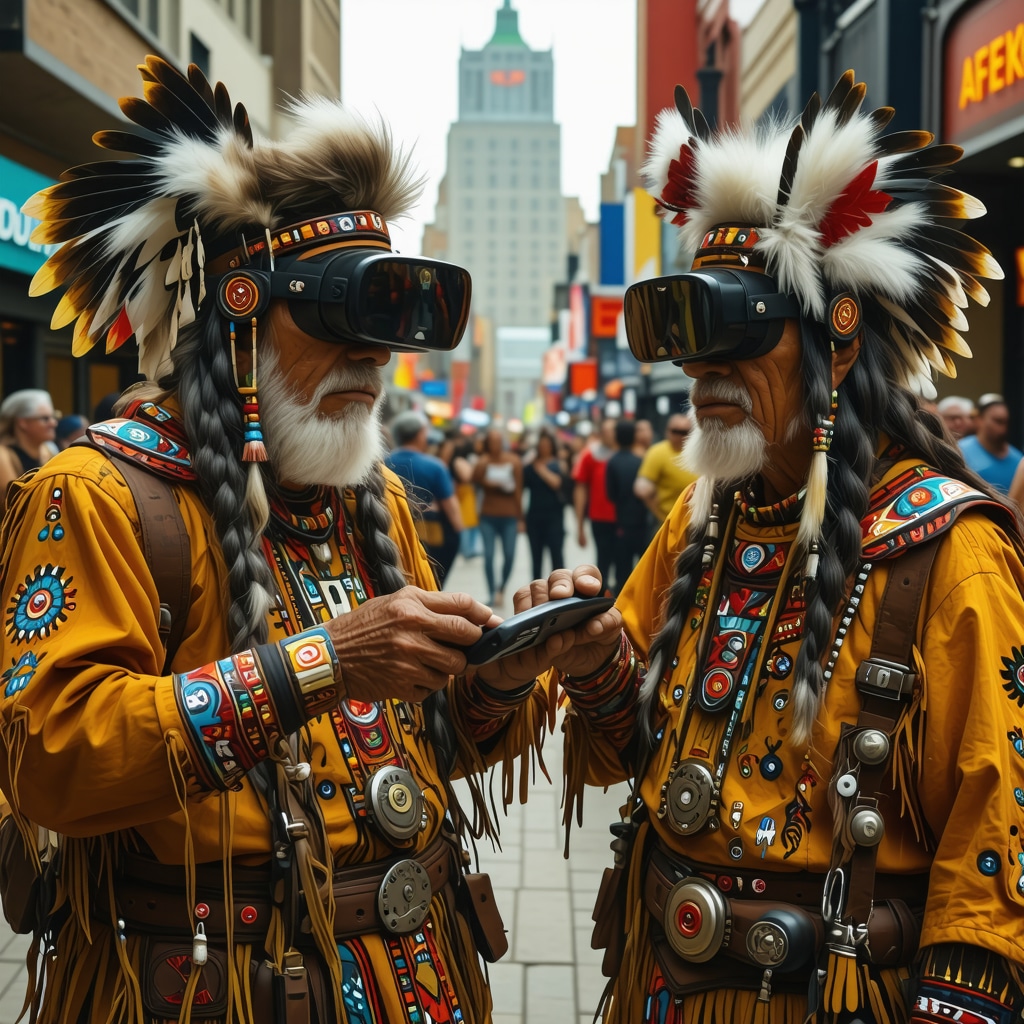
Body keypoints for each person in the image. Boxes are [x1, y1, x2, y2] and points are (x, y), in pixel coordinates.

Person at [0, 57, 562, 1024]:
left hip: (422, 980)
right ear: (240, 317)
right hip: (220, 991)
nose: (376, 355)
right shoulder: (94, 494)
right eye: (344, 311)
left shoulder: (371, 499)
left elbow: (429, 745)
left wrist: (510, 668)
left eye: (392, 323)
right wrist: (321, 665)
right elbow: (48, 759)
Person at [525, 71, 1024, 1024]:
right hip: (665, 986)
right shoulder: (704, 518)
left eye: (738, 337)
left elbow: (994, 840)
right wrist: (592, 661)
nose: (701, 373)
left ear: (838, 342)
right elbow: (625, 747)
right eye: (687, 344)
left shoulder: (945, 548)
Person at [385, 409, 463, 585]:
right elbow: (450, 505)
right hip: (432, 534)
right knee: (431, 582)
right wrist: (458, 531)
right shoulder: (435, 467)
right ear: (420, 435)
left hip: (389, 530)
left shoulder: (382, 463)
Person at [472, 427, 523, 607]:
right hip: (488, 515)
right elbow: (474, 479)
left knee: (509, 555)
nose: (495, 445)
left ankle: (502, 588)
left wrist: (520, 517)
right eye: (492, 441)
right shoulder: (484, 461)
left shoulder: (514, 460)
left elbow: (518, 489)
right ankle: (492, 592)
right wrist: (488, 479)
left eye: (498, 441)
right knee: (488, 555)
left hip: (509, 516)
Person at [604, 419, 649, 595]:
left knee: (622, 570)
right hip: (642, 521)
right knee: (644, 568)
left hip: (622, 522)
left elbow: (610, 495)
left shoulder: (613, 462)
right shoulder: (641, 461)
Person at [573, 417, 618, 593]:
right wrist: (579, 526)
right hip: (600, 517)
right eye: (607, 430)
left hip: (625, 518)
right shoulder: (590, 454)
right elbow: (580, 489)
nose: (611, 434)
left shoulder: (629, 453)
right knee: (603, 561)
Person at [634, 412, 698, 527]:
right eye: (676, 432)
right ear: (667, 431)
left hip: (697, 520)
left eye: (685, 432)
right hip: (668, 520)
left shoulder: (699, 453)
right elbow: (642, 489)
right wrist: (659, 514)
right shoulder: (658, 452)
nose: (681, 436)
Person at [0, 389, 58, 512]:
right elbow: (14, 503)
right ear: (23, 423)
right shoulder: (3, 455)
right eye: (45, 418)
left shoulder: (49, 450)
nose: (53, 423)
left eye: (54, 417)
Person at [522, 428, 567, 579]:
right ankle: (536, 590)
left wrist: (540, 469)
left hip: (554, 516)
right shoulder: (530, 466)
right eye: (541, 445)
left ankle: (561, 589)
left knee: (557, 556)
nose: (544, 448)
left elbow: (557, 483)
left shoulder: (558, 464)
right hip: (534, 516)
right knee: (536, 557)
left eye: (547, 445)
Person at [959, 394, 1023, 494]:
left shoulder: (1018, 460)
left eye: (1006, 422)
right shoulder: (960, 451)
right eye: (998, 421)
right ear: (979, 420)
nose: (1003, 428)